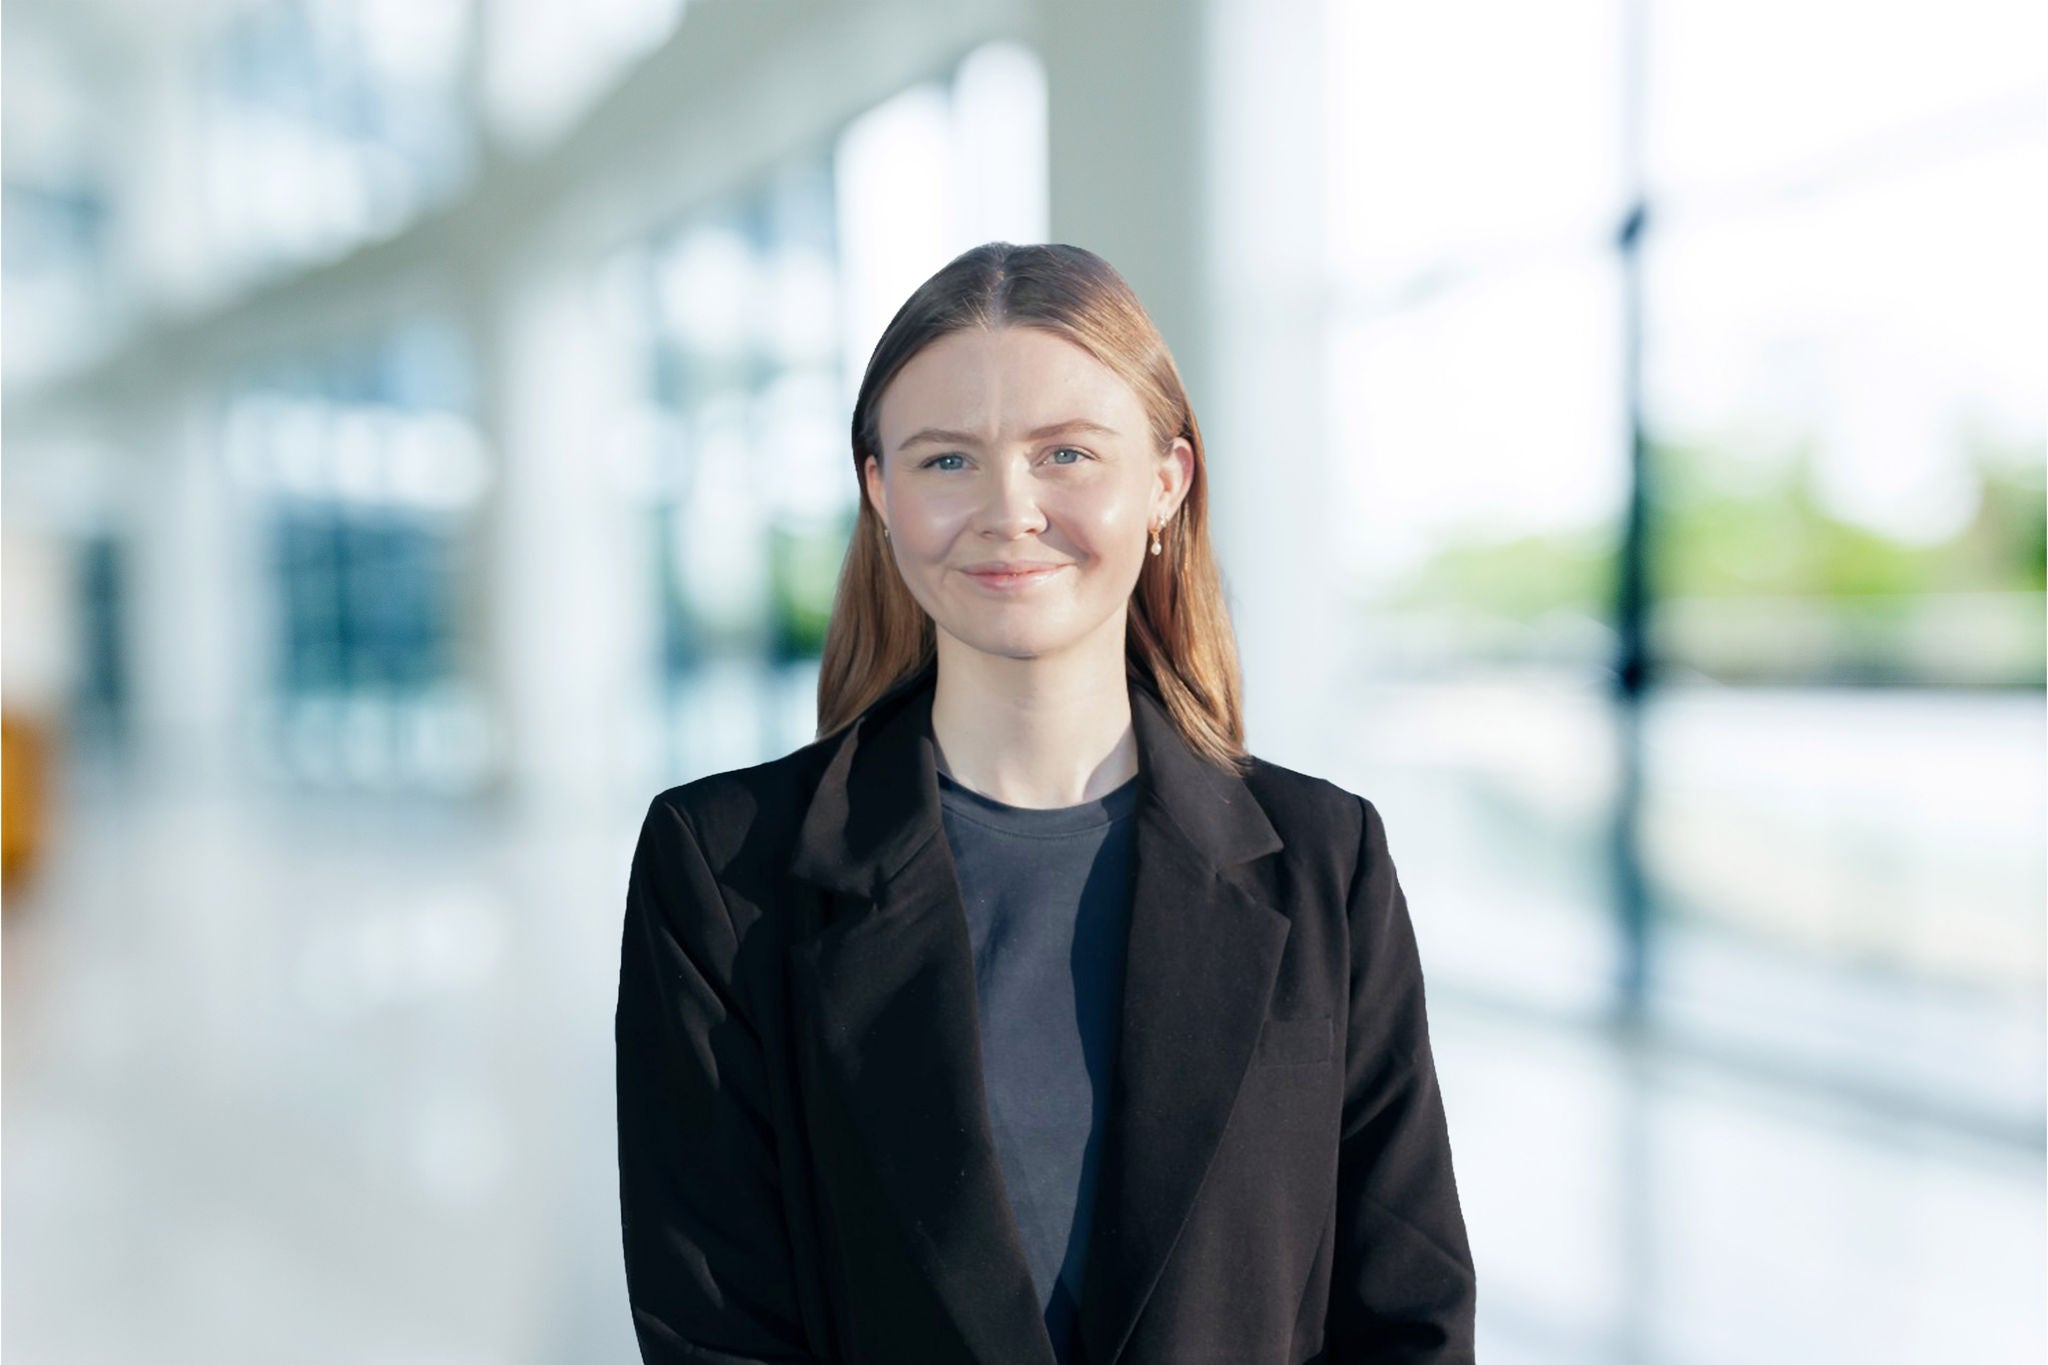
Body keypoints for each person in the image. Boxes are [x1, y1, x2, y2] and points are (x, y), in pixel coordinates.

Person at [615, 242, 1476, 1365]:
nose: (1005, 511)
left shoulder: (1325, 860)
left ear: (1165, 481)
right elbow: (714, 1336)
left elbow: (1406, 1316)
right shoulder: (721, 872)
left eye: (1064, 453)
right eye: (943, 463)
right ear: (878, 492)